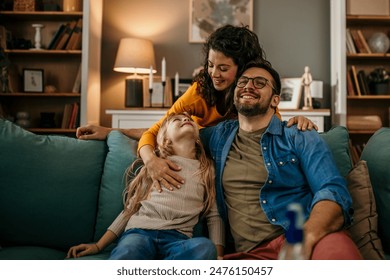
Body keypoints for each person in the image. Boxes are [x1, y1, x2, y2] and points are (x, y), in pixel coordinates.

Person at [76, 25, 317, 191]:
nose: (214, 73)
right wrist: (150, 160)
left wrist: (299, 121)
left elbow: (277, 135)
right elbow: (160, 131)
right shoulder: (199, 92)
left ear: (243, 68)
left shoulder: (256, 100)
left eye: (223, 68)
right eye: (210, 65)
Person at [199, 61, 362, 260]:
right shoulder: (217, 137)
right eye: (242, 82)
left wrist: (305, 237)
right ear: (234, 94)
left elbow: (333, 191)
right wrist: (150, 157)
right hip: (252, 256)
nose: (248, 87)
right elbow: (168, 131)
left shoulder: (299, 135)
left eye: (260, 83)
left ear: (275, 100)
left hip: (307, 237)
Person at [67, 112, 224, 260]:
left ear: (198, 137)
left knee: (205, 247)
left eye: (188, 119)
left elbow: (214, 216)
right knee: (129, 249)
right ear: (165, 139)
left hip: (178, 239)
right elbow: (130, 209)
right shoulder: (154, 165)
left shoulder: (206, 169)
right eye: (177, 120)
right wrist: (98, 245)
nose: (185, 119)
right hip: (140, 232)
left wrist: (218, 255)